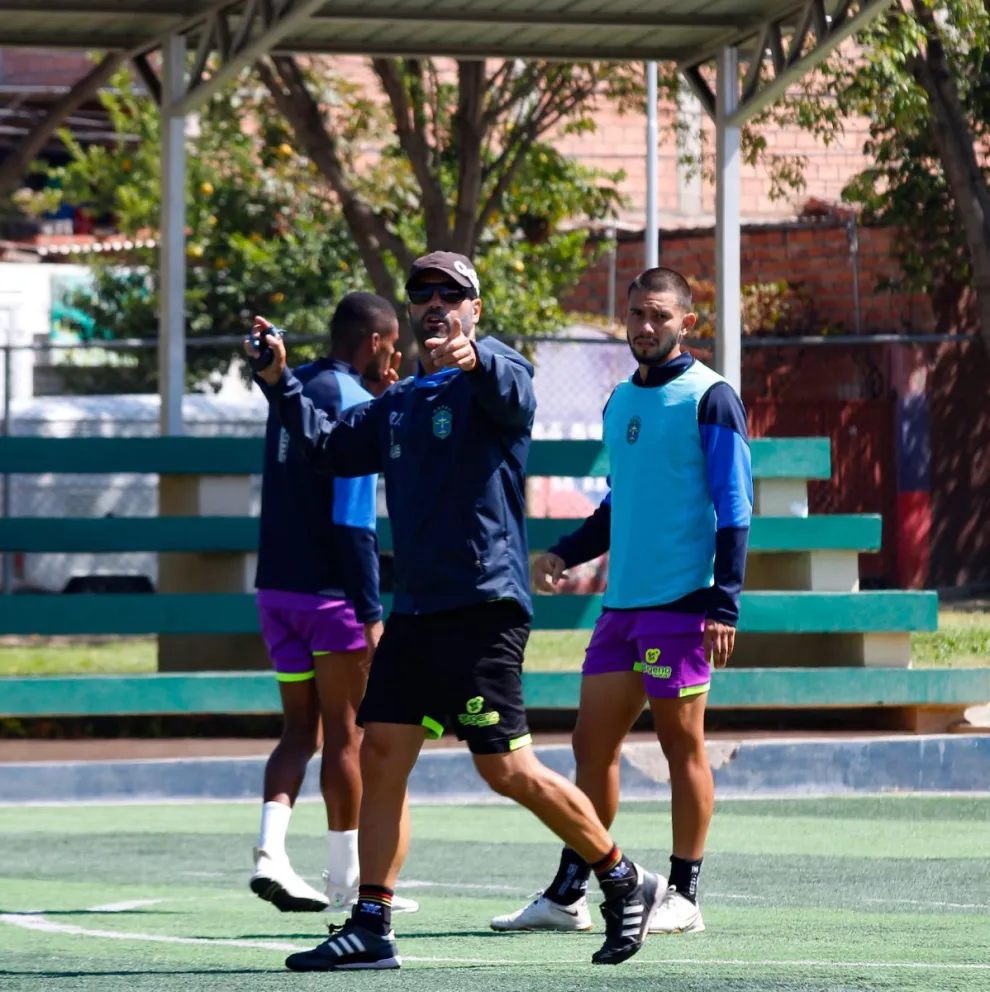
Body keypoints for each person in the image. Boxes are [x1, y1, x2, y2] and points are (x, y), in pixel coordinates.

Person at [246, 251, 662, 971]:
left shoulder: (494, 368)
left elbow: (515, 395)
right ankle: (371, 925)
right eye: (422, 294)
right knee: (381, 753)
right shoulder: (401, 401)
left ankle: (624, 880)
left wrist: (475, 359)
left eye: (451, 294)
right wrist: (280, 381)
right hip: (417, 612)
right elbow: (326, 448)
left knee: (507, 771)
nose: (434, 303)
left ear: (474, 307)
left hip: (481, 608)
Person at [491, 266, 753, 937]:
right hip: (621, 609)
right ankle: (569, 892)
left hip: (682, 605)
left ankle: (686, 895)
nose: (644, 327)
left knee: (680, 748)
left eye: (659, 315)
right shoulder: (619, 401)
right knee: (590, 746)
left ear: (686, 322)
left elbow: (734, 508)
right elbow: (619, 504)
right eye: (636, 314)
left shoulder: (711, 397)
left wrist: (724, 604)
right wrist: (564, 553)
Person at [249, 291, 418, 917]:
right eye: (394, 342)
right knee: (347, 736)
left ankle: (270, 854)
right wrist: (371, 615)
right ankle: (351, 883)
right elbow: (354, 526)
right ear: (375, 343)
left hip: (276, 593)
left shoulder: (291, 386)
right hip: (331, 602)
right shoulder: (353, 401)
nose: (397, 353)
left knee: (299, 731)